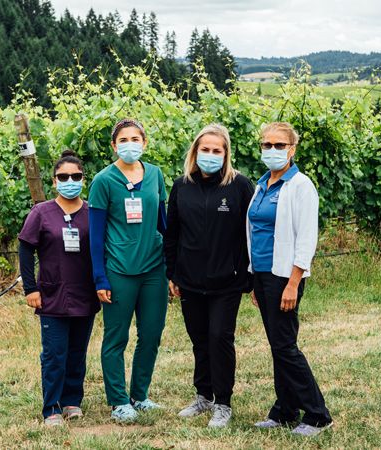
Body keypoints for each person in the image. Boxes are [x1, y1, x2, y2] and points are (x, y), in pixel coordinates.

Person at [164, 124, 254, 428]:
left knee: (220, 337)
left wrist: (247, 273)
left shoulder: (239, 186)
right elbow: (172, 232)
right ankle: (203, 396)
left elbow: (251, 233)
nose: (211, 155)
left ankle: (223, 403)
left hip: (227, 281)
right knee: (199, 339)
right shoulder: (182, 186)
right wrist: (171, 272)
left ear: (226, 154)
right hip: (189, 279)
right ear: (195, 151)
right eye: (206, 149)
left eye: (217, 150)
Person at [247, 122, 333, 436]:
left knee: (285, 347)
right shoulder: (261, 185)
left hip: (285, 277)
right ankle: (284, 410)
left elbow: (306, 238)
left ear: (292, 149)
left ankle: (318, 415)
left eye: (279, 145)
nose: (272, 150)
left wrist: (294, 282)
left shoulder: (300, 186)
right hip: (263, 276)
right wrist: (254, 279)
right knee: (278, 345)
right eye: (267, 145)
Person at [88, 118, 169, 423]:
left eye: (136, 139)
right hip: (119, 271)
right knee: (116, 338)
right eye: (124, 140)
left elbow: (163, 223)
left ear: (144, 143)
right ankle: (119, 401)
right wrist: (100, 277)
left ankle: (140, 395)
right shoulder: (103, 181)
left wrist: (174, 265)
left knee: (150, 335)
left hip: (154, 270)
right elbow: (95, 237)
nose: (130, 144)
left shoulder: (155, 175)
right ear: (114, 145)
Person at [18, 150, 99, 427]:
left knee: (77, 352)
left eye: (75, 176)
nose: (70, 181)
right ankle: (51, 408)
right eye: (63, 177)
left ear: (83, 179)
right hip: (52, 295)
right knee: (54, 354)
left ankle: (72, 401)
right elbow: (25, 250)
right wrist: (31, 288)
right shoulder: (41, 213)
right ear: (54, 182)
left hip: (85, 293)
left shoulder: (92, 213)